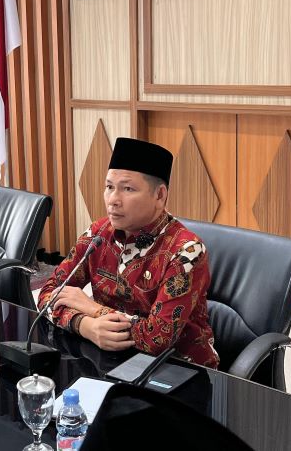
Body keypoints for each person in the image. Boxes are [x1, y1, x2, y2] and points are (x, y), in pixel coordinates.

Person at [37, 137, 218, 367]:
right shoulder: (98, 234)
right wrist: (85, 325)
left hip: (178, 367)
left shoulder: (186, 251)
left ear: (160, 196)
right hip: (111, 359)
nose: (113, 200)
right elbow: (47, 293)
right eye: (109, 187)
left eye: (128, 189)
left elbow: (157, 339)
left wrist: (92, 308)